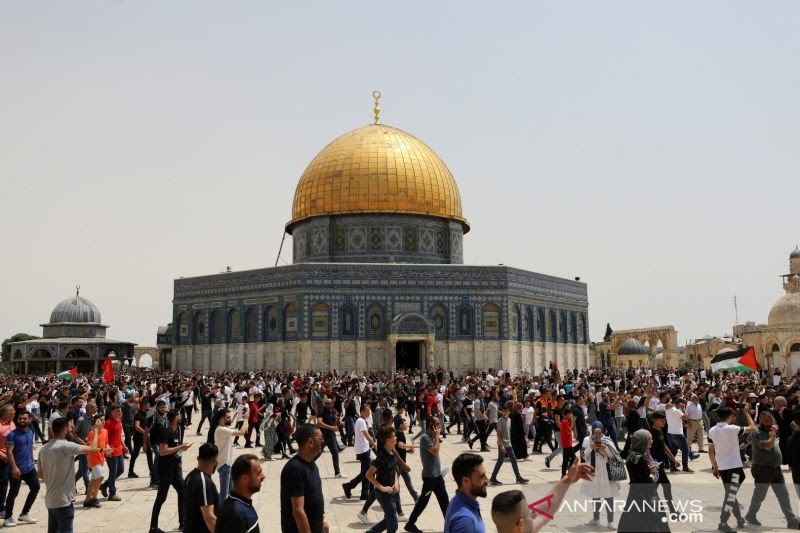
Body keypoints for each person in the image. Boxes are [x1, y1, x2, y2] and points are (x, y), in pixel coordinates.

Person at [490, 456, 595, 533]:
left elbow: (546, 509)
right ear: (521, 526)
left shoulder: (521, 528)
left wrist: (568, 479)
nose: (535, 513)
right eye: (532, 514)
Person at [37, 416, 102, 533]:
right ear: (64, 430)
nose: (72, 430)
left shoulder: (43, 449)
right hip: (63, 501)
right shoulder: (65, 446)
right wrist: (96, 430)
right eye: (70, 427)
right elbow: (92, 448)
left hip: (50, 500)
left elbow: (40, 475)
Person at [743, 411, 799, 528]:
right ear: (760, 420)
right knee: (760, 495)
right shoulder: (757, 432)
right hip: (762, 469)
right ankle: (751, 514)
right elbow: (768, 447)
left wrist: (747, 443)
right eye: (766, 421)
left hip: (776, 469)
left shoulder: (769, 431)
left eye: (770, 421)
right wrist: (773, 432)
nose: (769, 423)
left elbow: (750, 441)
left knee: (783, 495)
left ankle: (791, 519)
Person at [708, 406, 756, 533]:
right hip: (734, 469)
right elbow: (753, 428)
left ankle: (739, 519)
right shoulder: (732, 428)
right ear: (729, 416)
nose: (735, 418)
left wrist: (715, 467)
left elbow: (711, 451)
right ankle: (723, 523)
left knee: (730, 494)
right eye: (733, 416)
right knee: (730, 496)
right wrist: (746, 412)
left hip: (723, 468)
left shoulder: (712, 430)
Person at [617, 430, 669, 532]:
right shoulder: (640, 458)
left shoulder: (633, 454)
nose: (651, 441)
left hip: (635, 493)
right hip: (645, 495)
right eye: (649, 439)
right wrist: (653, 472)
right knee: (651, 520)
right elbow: (646, 482)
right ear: (641, 440)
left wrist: (649, 468)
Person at [280, 424, 329, 533]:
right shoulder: (294, 469)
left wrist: (323, 519)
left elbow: (316, 496)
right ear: (310, 442)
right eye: (321, 438)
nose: (323, 441)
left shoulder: (312, 464)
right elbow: (298, 511)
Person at [150, 409, 191, 533]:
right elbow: (163, 451)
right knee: (161, 498)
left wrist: (180, 451)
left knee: (183, 492)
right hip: (165, 471)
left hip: (174, 470)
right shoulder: (166, 432)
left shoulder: (175, 431)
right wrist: (180, 447)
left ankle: (183, 523)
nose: (181, 416)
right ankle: (153, 527)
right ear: (175, 417)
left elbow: (174, 449)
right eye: (179, 415)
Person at [405, 417, 448, 533]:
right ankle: (410, 524)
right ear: (431, 426)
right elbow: (435, 451)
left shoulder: (432, 437)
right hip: (430, 477)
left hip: (437, 476)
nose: (439, 426)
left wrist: (436, 436)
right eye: (437, 424)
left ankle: (450, 524)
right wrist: (437, 436)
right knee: (423, 502)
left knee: (445, 501)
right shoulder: (425, 438)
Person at [580, 421, 620, 530]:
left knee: (609, 496)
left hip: (605, 472)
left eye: (599, 432)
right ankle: (596, 518)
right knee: (595, 495)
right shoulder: (587, 440)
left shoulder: (607, 440)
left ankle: (610, 521)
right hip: (593, 472)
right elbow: (583, 455)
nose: (598, 435)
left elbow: (614, 456)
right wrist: (591, 448)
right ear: (592, 431)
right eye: (596, 432)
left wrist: (605, 448)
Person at [4, 412, 40, 526]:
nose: (22, 420)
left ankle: (24, 514)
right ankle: (8, 517)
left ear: (29, 420)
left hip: (29, 467)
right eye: (20, 418)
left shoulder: (30, 432)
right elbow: (9, 452)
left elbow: (29, 449)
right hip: (16, 470)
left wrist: (33, 463)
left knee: (35, 487)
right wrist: (14, 467)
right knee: (13, 493)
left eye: (24, 418)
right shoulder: (12, 434)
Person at [215, 454, 264, 533]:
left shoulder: (241, 505)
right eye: (258, 473)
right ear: (245, 479)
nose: (263, 477)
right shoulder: (236, 514)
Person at [365, 426, 401, 533]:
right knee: (393, 524)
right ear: (388, 440)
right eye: (394, 436)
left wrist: (397, 483)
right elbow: (368, 474)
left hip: (393, 493)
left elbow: (395, 470)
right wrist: (382, 488)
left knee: (388, 520)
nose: (396, 438)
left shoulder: (392, 452)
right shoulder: (381, 457)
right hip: (383, 494)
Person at [444, 453, 488, 533]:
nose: (487, 480)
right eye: (481, 476)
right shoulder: (465, 521)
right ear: (466, 481)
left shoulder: (458, 499)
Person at [489, 402, 528, 486]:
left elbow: (509, 431)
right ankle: (493, 478)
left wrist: (510, 441)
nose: (504, 413)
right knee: (500, 461)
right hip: (502, 444)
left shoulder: (509, 420)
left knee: (513, 460)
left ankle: (518, 477)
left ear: (509, 412)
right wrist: (502, 445)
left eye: (506, 411)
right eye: (503, 411)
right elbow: (498, 434)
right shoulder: (500, 421)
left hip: (508, 443)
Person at [183, 443, 220, 533]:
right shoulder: (203, 481)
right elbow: (209, 517)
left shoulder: (191, 476)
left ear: (198, 458)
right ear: (215, 461)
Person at [214, 407, 248, 502]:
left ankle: (227, 507)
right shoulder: (221, 430)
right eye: (228, 417)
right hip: (224, 465)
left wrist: (238, 415)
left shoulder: (223, 428)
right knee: (224, 492)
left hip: (226, 464)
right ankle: (220, 509)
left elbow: (232, 421)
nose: (230, 419)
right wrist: (246, 419)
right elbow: (241, 432)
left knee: (231, 490)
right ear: (222, 419)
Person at [342, 403, 375, 500]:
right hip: (363, 449)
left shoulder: (362, 421)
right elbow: (367, 435)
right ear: (361, 412)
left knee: (365, 471)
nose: (368, 413)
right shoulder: (361, 421)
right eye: (367, 411)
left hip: (363, 448)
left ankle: (364, 493)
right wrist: (374, 445)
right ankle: (348, 486)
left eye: (369, 411)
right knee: (366, 472)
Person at [99, 404, 128, 500]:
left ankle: (104, 486)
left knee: (121, 470)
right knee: (113, 472)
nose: (119, 412)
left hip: (119, 450)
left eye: (120, 411)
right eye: (117, 411)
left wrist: (124, 446)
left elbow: (119, 436)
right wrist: (106, 450)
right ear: (111, 412)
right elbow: (103, 438)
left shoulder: (119, 421)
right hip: (111, 451)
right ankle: (112, 493)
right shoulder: (107, 423)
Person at [83, 414, 109, 509]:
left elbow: (106, 444)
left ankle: (87, 501)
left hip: (101, 458)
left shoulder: (105, 431)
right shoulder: (92, 433)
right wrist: (103, 450)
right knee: (100, 477)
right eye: (100, 420)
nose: (103, 421)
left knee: (94, 480)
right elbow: (91, 448)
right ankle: (94, 498)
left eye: (103, 419)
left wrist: (108, 450)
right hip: (93, 458)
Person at [317, 399, 342, 477]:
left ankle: (337, 473)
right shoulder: (322, 412)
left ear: (332, 404)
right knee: (317, 454)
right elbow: (319, 423)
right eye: (326, 403)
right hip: (323, 437)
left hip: (331, 437)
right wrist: (330, 427)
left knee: (335, 453)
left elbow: (335, 419)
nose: (327, 405)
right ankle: (307, 466)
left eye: (328, 403)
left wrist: (339, 422)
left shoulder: (333, 411)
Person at [129, 398, 152, 479]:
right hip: (138, 438)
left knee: (149, 453)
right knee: (135, 454)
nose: (149, 406)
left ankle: (152, 471)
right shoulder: (138, 415)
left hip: (144, 437)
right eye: (147, 405)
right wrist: (145, 433)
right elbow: (137, 426)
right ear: (143, 405)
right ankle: (130, 471)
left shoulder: (146, 414)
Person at [0, 403, 16, 518]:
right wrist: (2, 456)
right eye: (12, 410)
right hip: (2, 460)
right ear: (6, 413)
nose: (15, 412)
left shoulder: (12, 423)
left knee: (8, 484)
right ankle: (1, 507)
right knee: (2, 483)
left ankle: (3, 505)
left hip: (12, 458)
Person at [559, 409, 575, 476]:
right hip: (567, 443)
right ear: (567, 414)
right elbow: (569, 432)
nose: (571, 415)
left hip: (568, 443)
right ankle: (564, 474)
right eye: (570, 414)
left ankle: (567, 472)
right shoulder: (565, 422)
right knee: (566, 459)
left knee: (571, 458)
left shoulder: (566, 421)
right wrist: (572, 423)